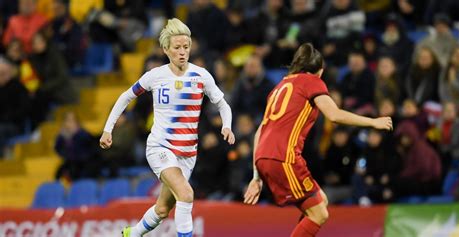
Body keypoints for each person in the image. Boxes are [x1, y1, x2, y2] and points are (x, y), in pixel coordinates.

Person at [99, 18, 235, 237]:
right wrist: (108, 129)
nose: (182, 52)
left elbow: (222, 104)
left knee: (162, 209)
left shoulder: (201, 75)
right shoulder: (156, 75)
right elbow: (126, 97)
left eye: (186, 47)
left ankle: (131, 234)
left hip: (187, 154)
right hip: (160, 148)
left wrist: (227, 126)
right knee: (186, 194)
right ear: (166, 49)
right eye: (177, 47)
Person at [243, 43, 392, 237]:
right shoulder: (311, 81)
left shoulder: (278, 88)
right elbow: (334, 115)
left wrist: (256, 176)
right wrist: (373, 122)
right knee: (319, 213)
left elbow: (259, 132)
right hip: (284, 156)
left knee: (320, 201)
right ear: (319, 71)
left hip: (264, 156)